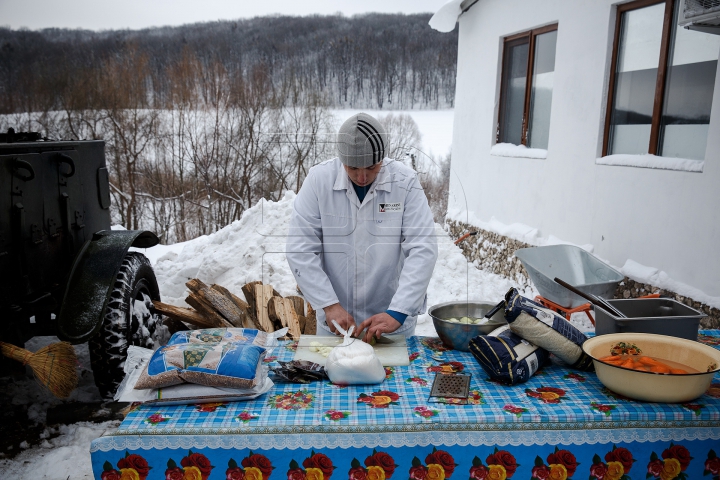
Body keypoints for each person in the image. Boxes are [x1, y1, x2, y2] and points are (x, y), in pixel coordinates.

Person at [286, 112, 438, 343]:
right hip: (336, 323)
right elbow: (300, 249)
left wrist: (398, 310)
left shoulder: (405, 183)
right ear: (341, 160)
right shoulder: (319, 181)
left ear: (382, 158)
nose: (362, 176)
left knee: (395, 378)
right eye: (352, 168)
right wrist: (329, 304)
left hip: (391, 323)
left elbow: (423, 248)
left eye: (371, 167)